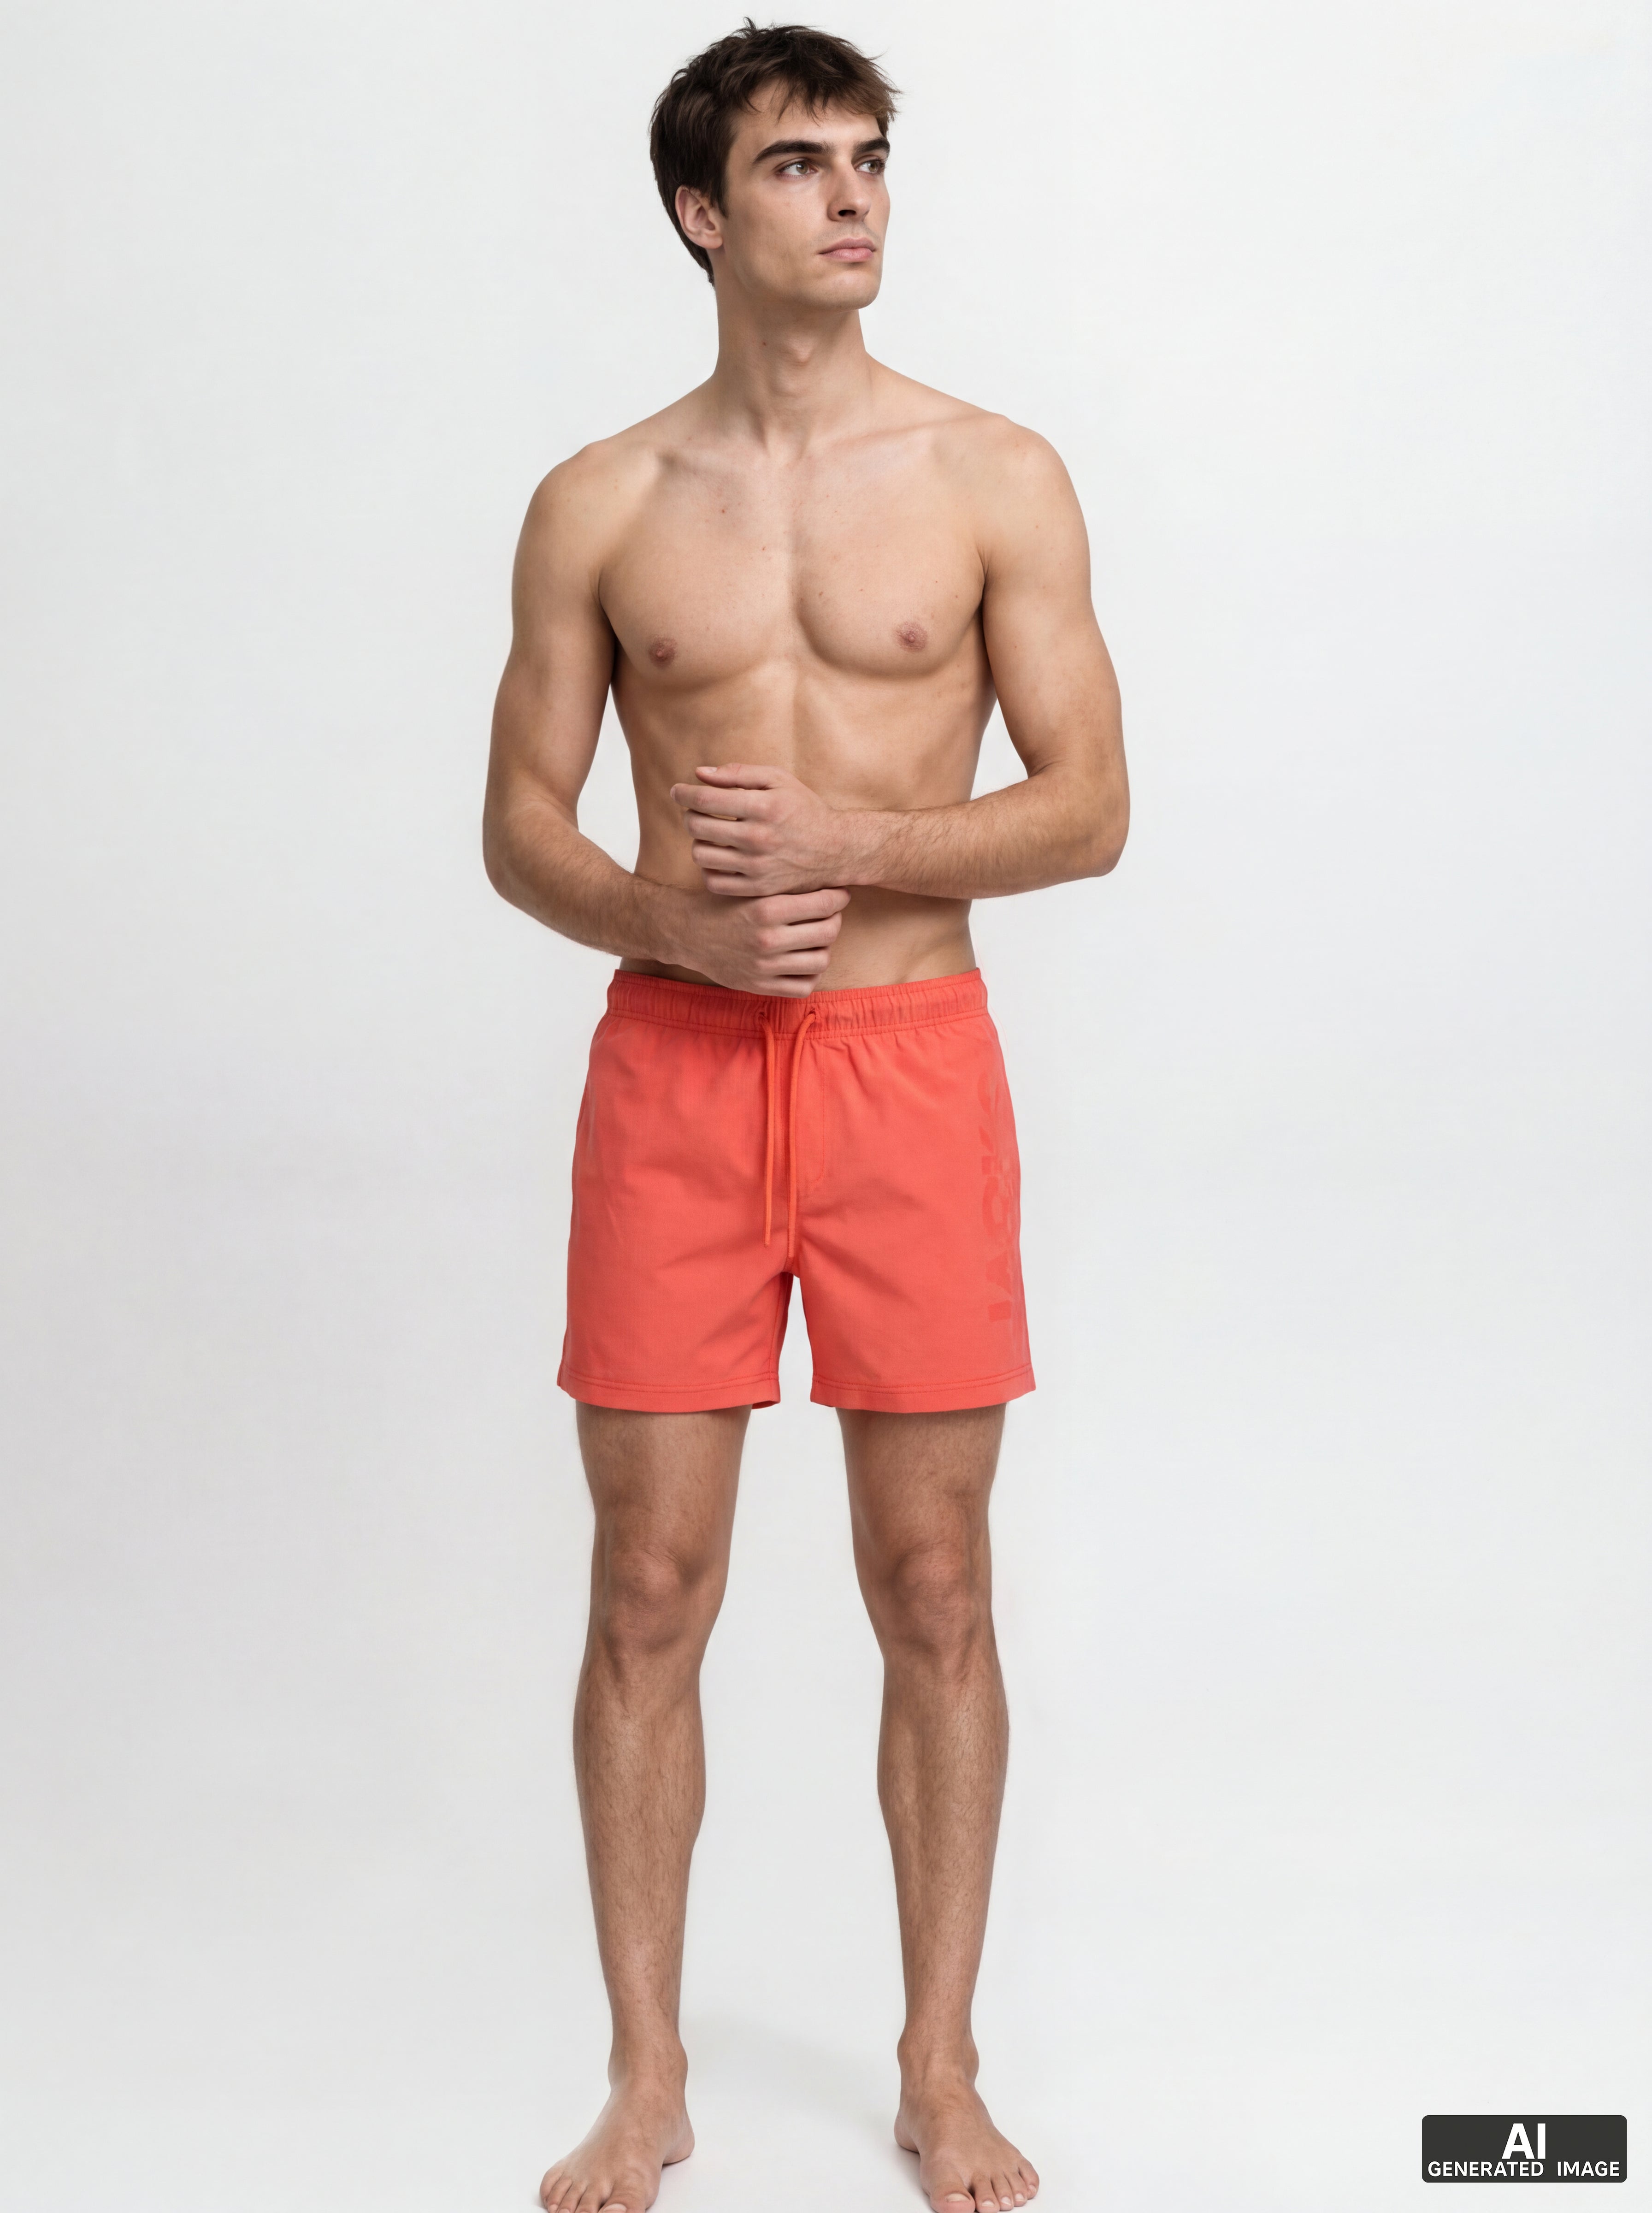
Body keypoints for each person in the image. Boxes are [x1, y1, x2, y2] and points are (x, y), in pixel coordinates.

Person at [482, 22, 1127, 2212]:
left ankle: (939, 2068)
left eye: (866, 160)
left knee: (931, 1581)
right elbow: (517, 824)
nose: (851, 198)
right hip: (671, 1069)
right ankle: (645, 2079)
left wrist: (862, 842)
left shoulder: (991, 475)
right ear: (700, 212)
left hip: (906, 1068)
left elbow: (1088, 808)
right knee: (648, 1586)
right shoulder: (597, 503)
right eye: (795, 166)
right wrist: (660, 911)